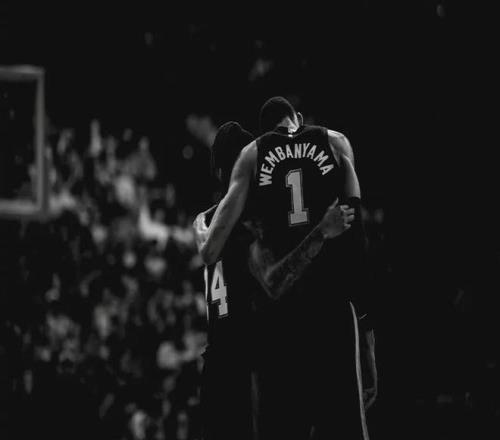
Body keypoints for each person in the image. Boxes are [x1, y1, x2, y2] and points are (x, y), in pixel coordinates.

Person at [198, 97, 376, 439]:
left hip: (268, 330)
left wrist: (200, 228)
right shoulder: (336, 142)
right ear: (299, 118)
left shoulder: (251, 160)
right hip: (329, 313)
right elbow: (357, 245)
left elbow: (209, 250)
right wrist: (368, 337)